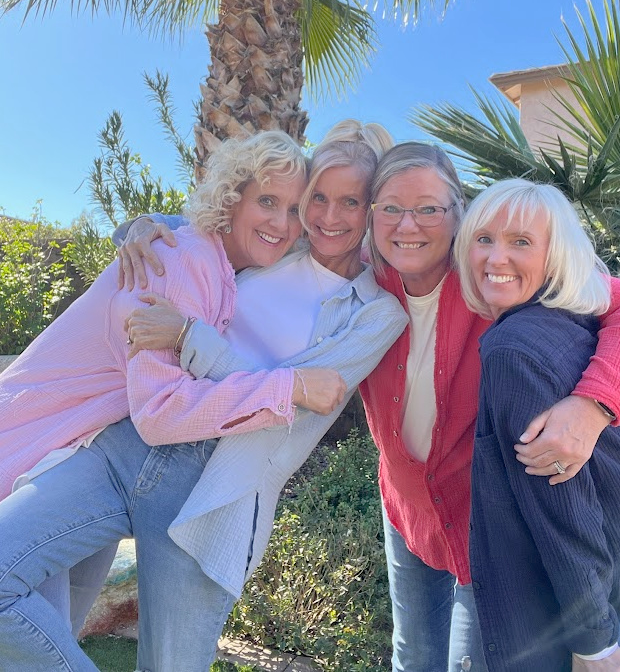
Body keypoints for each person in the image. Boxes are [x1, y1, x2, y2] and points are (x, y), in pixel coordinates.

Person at [0, 121, 408, 671]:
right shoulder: (280, 245)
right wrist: (139, 227)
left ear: (372, 209)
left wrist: (191, 337)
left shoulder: (376, 314)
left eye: (351, 202)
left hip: (212, 486)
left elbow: (288, 408)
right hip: (128, 442)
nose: (327, 217)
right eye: (318, 199)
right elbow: (197, 234)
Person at [358, 143, 620, 672]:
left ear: (457, 212)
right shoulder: (363, 280)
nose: (409, 224)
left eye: (429, 208)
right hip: (408, 509)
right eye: (390, 207)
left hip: (485, 524)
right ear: (373, 217)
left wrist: (595, 403)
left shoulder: (495, 283)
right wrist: (147, 232)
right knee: (412, 657)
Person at [453, 178, 620, 672]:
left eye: (520, 242)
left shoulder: (514, 351)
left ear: (556, 255)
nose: (495, 258)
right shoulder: (578, 322)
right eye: (484, 239)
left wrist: (595, 646)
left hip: (552, 626)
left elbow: (564, 518)